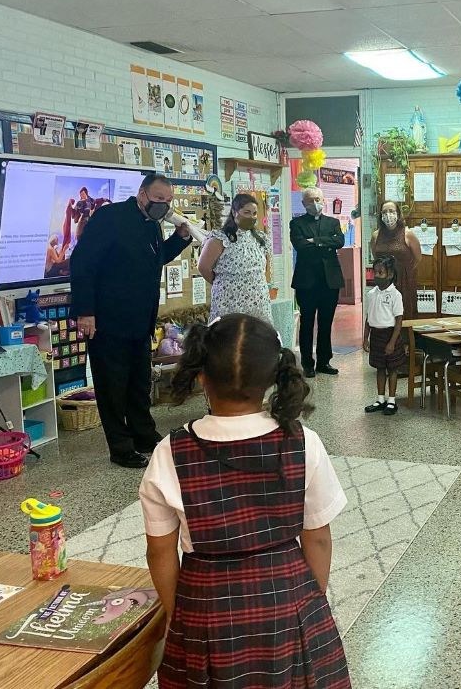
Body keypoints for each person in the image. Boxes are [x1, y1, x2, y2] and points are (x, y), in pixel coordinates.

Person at [139, 315, 351, 689]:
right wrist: (310, 601)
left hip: (206, 606)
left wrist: (178, 614)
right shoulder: (303, 442)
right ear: (272, 377)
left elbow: (159, 551)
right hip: (289, 599)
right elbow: (317, 538)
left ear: (201, 375)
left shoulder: (170, 452)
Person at [71, 174, 191, 468]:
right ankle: (120, 446)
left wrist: (180, 239)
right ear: (141, 194)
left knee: (138, 382)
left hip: (139, 320)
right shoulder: (110, 217)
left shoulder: (150, 224)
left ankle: (143, 434)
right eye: (158, 199)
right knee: (112, 385)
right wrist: (86, 312)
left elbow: (154, 258)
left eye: (168, 201)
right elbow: (82, 263)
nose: (162, 206)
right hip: (107, 319)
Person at [290, 188, 344, 378]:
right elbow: (300, 245)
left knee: (326, 322)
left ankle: (324, 361)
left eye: (318, 199)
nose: (315, 203)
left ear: (324, 200)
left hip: (330, 282)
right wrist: (325, 243)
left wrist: (315, 241)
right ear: (304, 204)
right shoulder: (296, 223)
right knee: (307, 322)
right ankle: (307, 363)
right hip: (307, 282)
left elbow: (339, 241)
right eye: (311, 200)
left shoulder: (333, 222)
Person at [197, 193, 274, 323]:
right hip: (229, 300)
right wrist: (223, 283)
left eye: (254, 213)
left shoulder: (260, 238)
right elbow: (203, 267)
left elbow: (264, 268)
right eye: (247, 212)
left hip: (258, 302)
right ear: (234, 212)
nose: (251, 217)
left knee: (258, 338)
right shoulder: (219, 238)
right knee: (229, 337)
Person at [363, 256, 405, 416]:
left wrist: (392, 343)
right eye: (375, 272)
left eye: (380, 272)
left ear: (390, 274)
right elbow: (368, 317)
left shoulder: (395, 295)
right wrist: (365, 337)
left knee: (392, 369)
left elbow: (399, 321)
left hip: (390, 335)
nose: (376, 276)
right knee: (379, 368)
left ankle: (392, 400)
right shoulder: (371, 294)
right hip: (376, 335)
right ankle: (380, 399)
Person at [370, 201, 422, 321]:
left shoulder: (408, 234)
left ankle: (406, 339)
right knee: (384, 314)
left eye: (391, 211)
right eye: (384, 212)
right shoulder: (376, 235)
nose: (388, 215)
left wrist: (404, 271)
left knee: (404, 314)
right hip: (384, 282)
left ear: (398, 214)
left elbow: (418, 258)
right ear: (380, 215)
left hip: (404, 281)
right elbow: (375, 256)